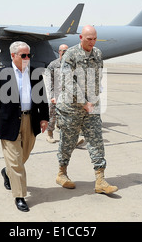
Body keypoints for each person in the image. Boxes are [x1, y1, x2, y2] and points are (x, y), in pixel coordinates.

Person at [0, 41, 49, 212]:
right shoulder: (0, 74)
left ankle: (7, 172)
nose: (27, 58)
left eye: (29, 55)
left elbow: (42, 98)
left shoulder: (35, 74)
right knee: (15, 161)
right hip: (8, 121)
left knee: (23, 155)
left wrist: (44, 118)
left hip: (30, 121)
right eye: (23, 55)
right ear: (12, 56)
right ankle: (20, 196)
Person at [55, 25, 118, 194]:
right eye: (89, 39)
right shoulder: (71, 54)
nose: (92, 42)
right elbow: (67, 81)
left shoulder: (97, 54)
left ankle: (100, 180)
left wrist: (94, 99)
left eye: (95, 38)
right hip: (71, 109)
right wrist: (83, 101)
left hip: (91, 109)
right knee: (67, 143)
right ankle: (62, 173)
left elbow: (98, 78)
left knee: (96, 140)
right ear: (81, 37)